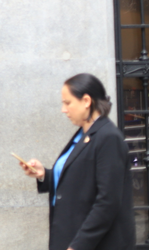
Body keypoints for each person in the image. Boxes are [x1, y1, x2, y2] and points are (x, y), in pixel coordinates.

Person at [19, 73, 135, 250]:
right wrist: (44, 175)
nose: (63, 109)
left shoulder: (108, 137)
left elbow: (108, 202)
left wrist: (78, 246)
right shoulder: (83, 134)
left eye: (68, 103)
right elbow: (78, 180)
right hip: (71, 236)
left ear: (86, 101)